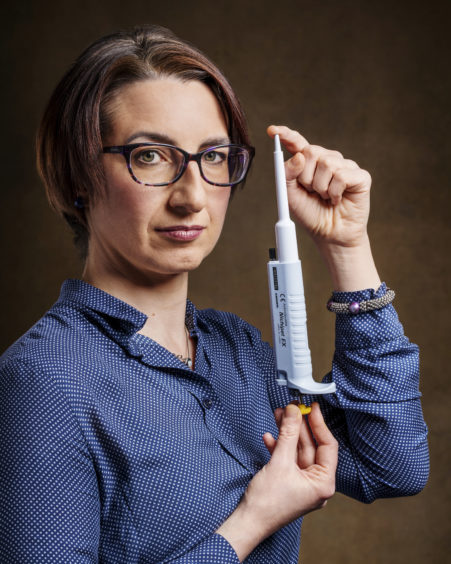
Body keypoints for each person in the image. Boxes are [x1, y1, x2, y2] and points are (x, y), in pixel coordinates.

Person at [0, 25, 428, 563]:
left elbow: (389, 465)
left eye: (214, 156)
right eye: (150, 156)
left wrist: (347, 249)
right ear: (79, 174)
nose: (192, 197)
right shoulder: (47, 380)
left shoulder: (237, 351)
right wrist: (250, 523)